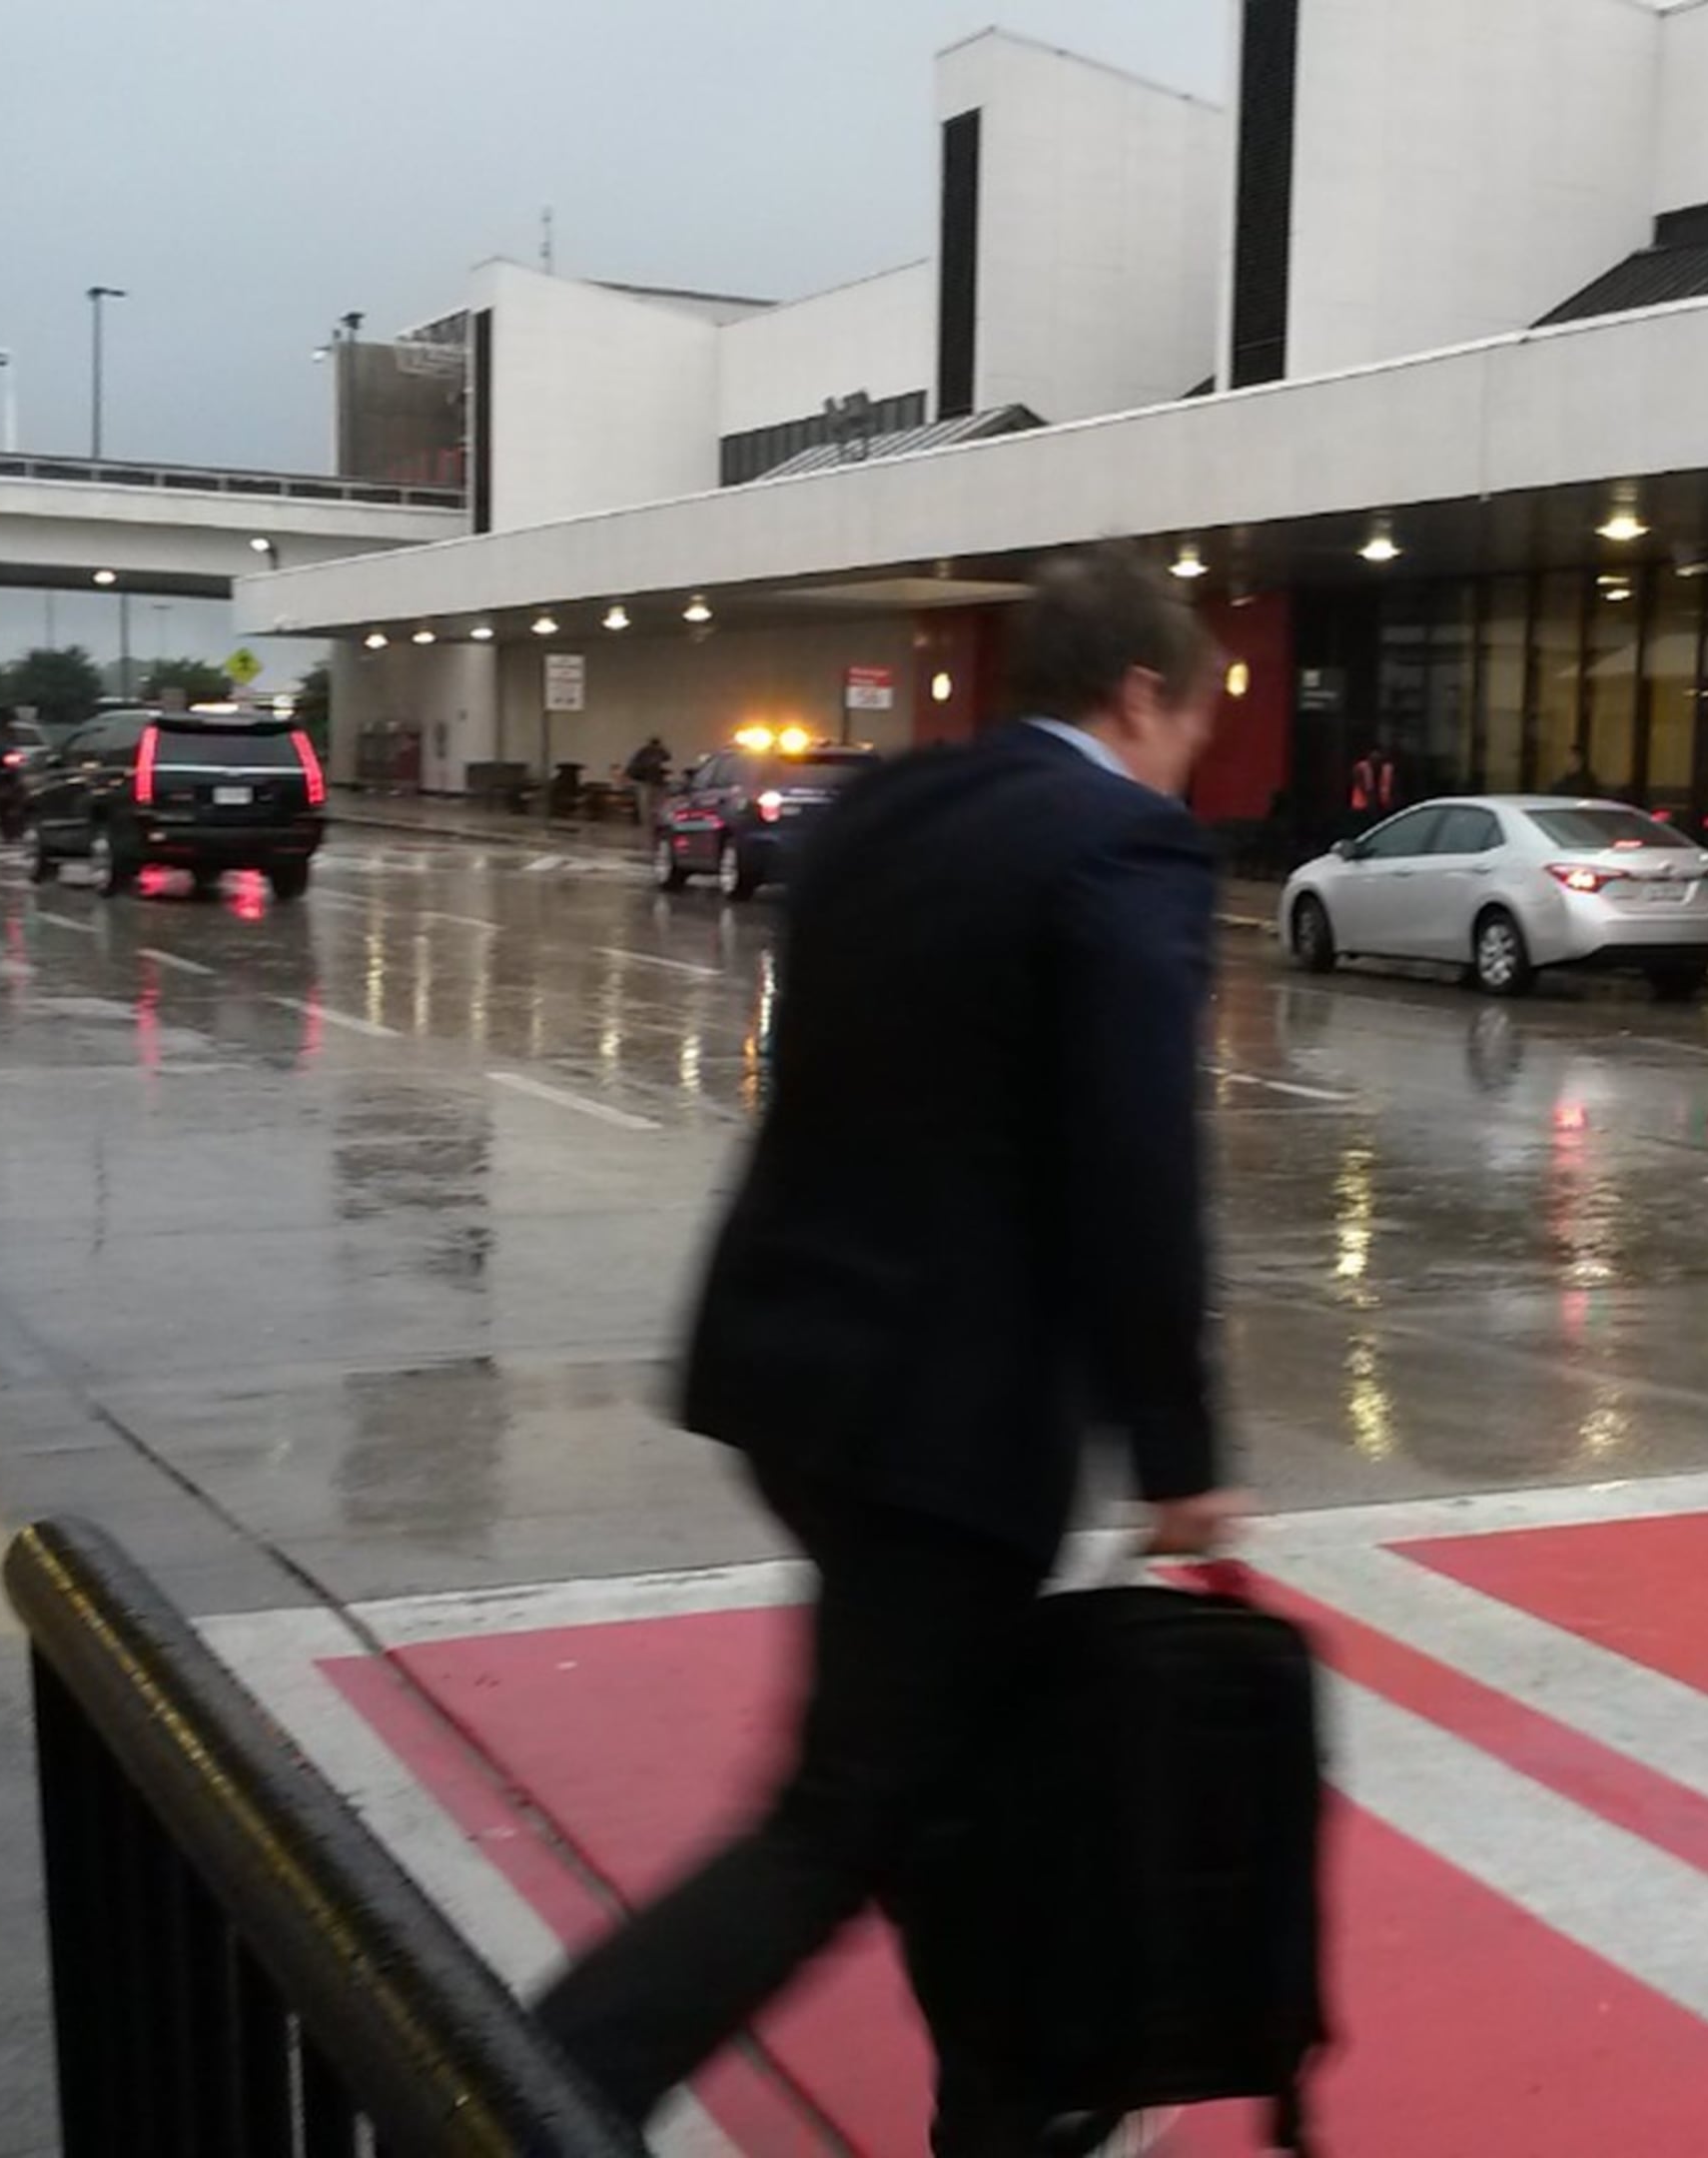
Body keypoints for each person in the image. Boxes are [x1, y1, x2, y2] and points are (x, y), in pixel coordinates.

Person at [535, 548, 1242, 2153]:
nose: (1196, 755)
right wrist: (1182, 1450)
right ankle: (537, 2083)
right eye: (1198, 720)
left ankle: (1020, 2109)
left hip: (790, 1374)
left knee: (944, 1782)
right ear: (1140, 694)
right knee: (848, 1813)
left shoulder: (889, 813)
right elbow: (1135, 1159)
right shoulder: (1122, 845)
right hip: (948, 1421)